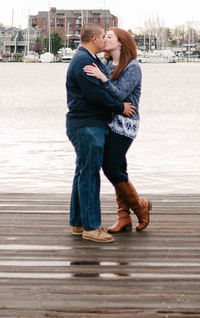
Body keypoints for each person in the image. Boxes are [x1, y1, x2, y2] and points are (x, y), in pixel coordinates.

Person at [66, 24, 135, 243]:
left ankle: (78, 223)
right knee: (89, 175)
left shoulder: (90, 60)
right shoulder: (84, 61)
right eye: (103, 37)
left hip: (86, 124)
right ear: (94, 39)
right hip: (87, 125)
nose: (105, 41)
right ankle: (91, 227)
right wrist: (120, 107)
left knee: (82, 173)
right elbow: (95, 95)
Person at [83, 28, 150, 233]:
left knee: (110, 167)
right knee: (119, 168)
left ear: (121, 42)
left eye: (109, 37)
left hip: (125, 124)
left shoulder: (132, 67)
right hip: (108, 122)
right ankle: (124, 218)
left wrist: (103, 79)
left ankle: (140, 206)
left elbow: (120, 93)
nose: (104, 40)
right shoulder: (103, 64)